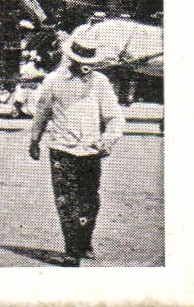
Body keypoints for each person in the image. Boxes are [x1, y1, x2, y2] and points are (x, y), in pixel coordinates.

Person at [27, 29, 125, 265]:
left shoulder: (100, 83)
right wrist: (34, 140)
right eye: (80, 61)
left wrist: (108, 140)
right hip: (62, 150)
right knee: (66, 200)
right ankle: (72, 249)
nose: (85, 67)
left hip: (91, 151)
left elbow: (114, 117)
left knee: (90, 200)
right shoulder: (53, 82)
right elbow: (42, 112)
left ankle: (85, 241)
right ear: (71, 59)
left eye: (89, 62)